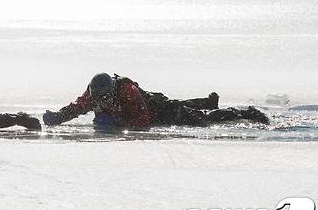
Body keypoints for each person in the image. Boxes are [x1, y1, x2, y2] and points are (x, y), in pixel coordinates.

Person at [42, 73, 269, 129]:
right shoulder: (93, 95)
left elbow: (144, 118)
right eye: (97, 98)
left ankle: (244, 112)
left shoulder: (128, 90)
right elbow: (77, 108)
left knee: (204, 121)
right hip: (153, 108)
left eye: (105, 97)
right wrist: (59, 117)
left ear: (112, 91)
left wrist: (118, 122)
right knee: (187, 106)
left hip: (161, 110)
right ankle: (208, 101)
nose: (101, 101)